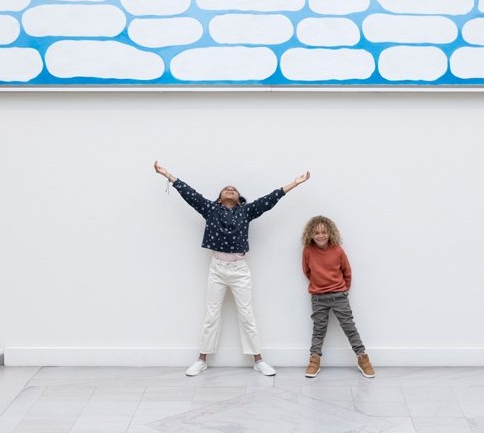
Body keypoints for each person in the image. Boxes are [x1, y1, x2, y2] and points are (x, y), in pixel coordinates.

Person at [153, 161, 310, 377]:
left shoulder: (246, 211)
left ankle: (258, 360)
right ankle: (202, 359)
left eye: (234, 189)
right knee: (211, 315)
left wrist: (294, 183)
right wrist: (167, 175)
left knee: (247, 314)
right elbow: (190, 194)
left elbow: (269, 200)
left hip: (239, 271)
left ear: (239, 198)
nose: (230, 189)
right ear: (219, 197)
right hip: (216, 269)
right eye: (226, 188)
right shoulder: (210, 209)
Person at [301, 215, 374, 378]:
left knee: (349, 327)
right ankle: (314, 360)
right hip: (318, 298)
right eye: (317, 232)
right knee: (318, 329)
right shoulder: (308, 251)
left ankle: (362, 358)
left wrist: (342, 290)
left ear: (330, 233)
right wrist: (319, 286)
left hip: (339, 296)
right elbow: (307, 271)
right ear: (311, 234)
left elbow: (347, 272)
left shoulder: (338, 250)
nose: (321, 235)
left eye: (324, 232)